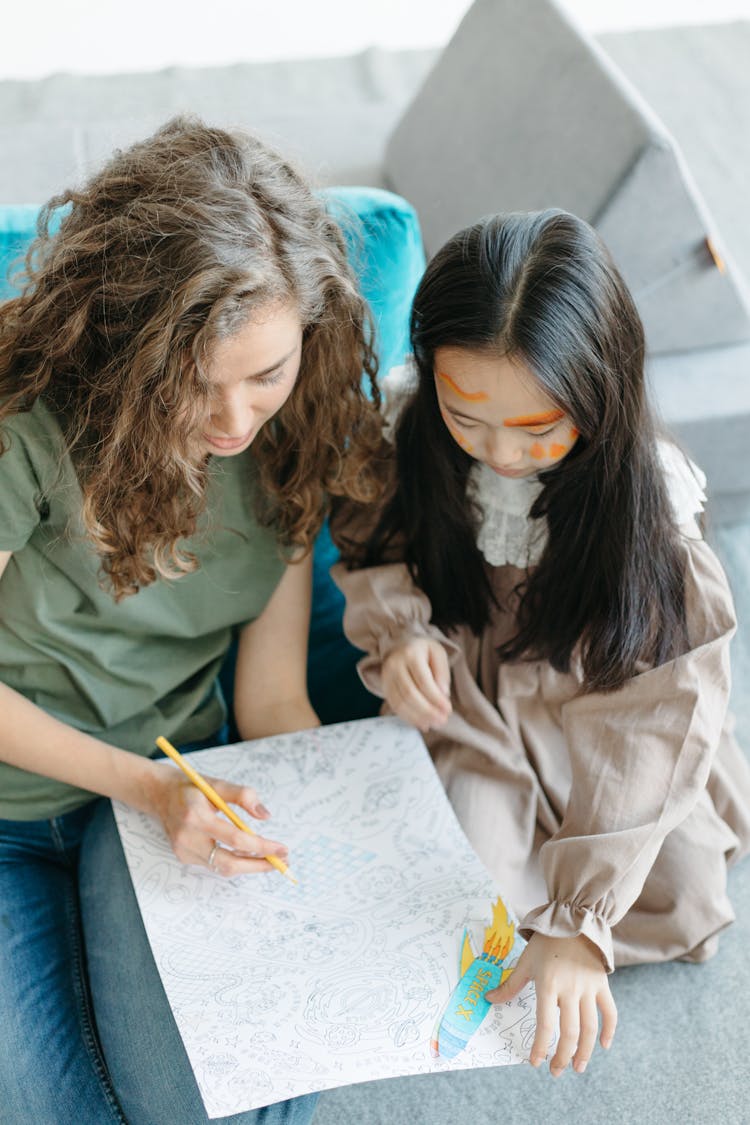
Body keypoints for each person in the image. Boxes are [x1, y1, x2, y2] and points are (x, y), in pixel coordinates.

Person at [0, 116, 383, 1124]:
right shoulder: (27, 418)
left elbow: (269, 696)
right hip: (29, 801)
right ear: (125, 343)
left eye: (268, 373)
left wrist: (342, 845)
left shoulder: (295, 434)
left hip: (172, 788)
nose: (234, 421)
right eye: (194, 382)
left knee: (233, 1094)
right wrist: (149, 786)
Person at [331, 209, 750, 1080]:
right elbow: (376, 545)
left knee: (679, 890)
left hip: (606, 694)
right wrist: (405, 636)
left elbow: (662, 705)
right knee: (471, 893)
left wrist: (582, 922)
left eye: (540, 427)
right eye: (469, 417)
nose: (504, 453)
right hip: (474, 690)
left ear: (600, 391)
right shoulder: (407, 430)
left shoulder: (647, 505)